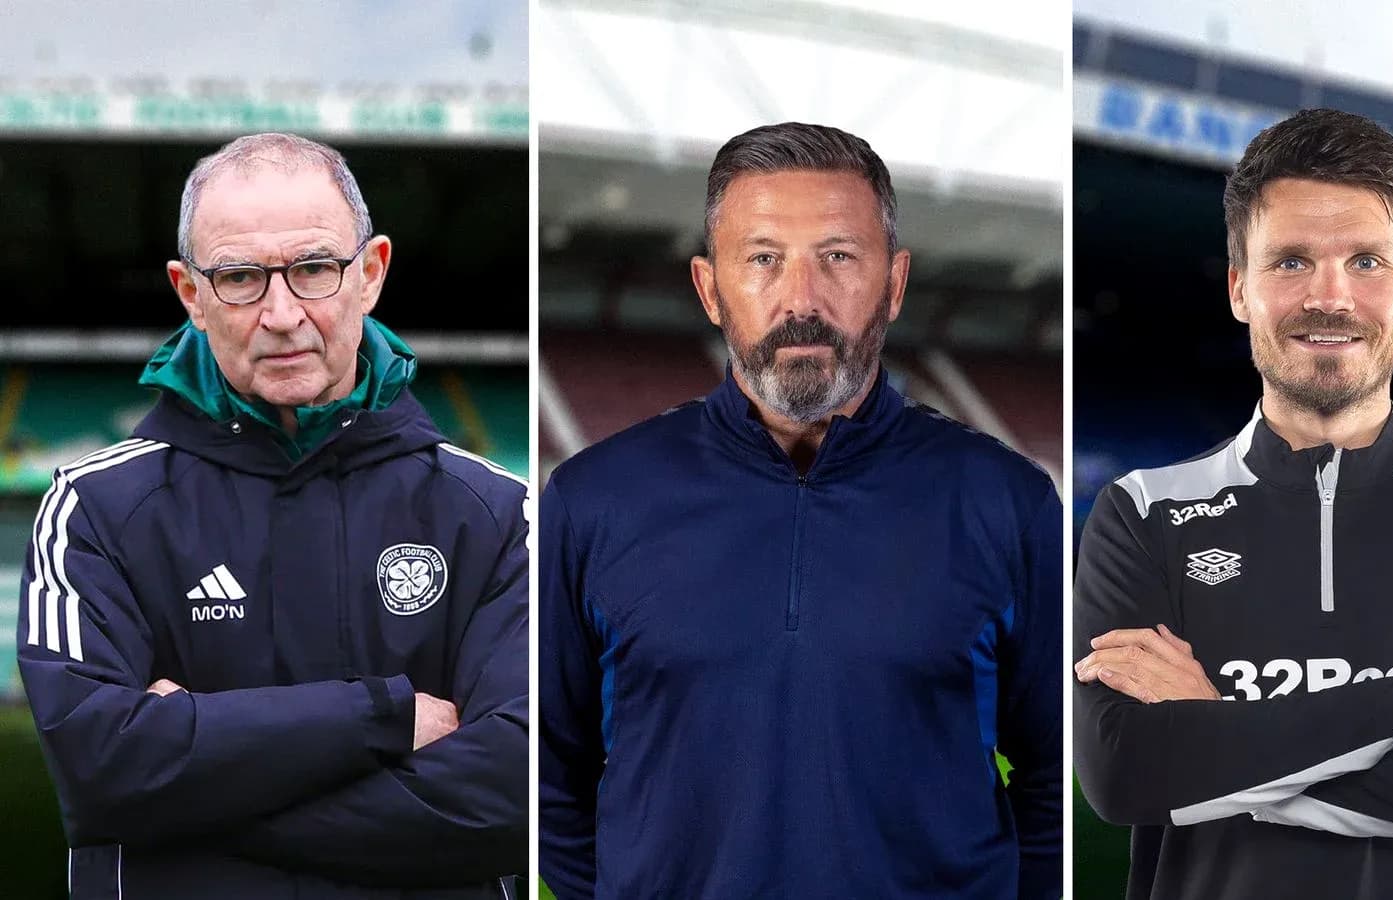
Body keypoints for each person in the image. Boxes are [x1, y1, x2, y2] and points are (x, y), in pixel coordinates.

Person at [1073, 107, 1393, 900]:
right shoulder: (1142, 512)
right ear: (1238, 289)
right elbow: (1124, 777)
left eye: (1366, 261)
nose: (1330, 297)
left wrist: (1217, 729)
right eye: (1289, 261)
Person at [539, 122, 1063, 899]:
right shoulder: (592, 500)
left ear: (895, 282)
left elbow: (1054, 778)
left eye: (839, 257)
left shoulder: (1006, 501)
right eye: (762, 260)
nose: (802, 299)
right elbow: (550, 779)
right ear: (710, 290)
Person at [15, 132, 529, 899]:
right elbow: (100, 768)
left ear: (372, 273)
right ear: (190, 293)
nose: (282, 314)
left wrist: (194, 801)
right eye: (240, 278)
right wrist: (382, 715)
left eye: (315, 268)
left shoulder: (494, 513)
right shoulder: (93, 509)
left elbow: (519, 787)